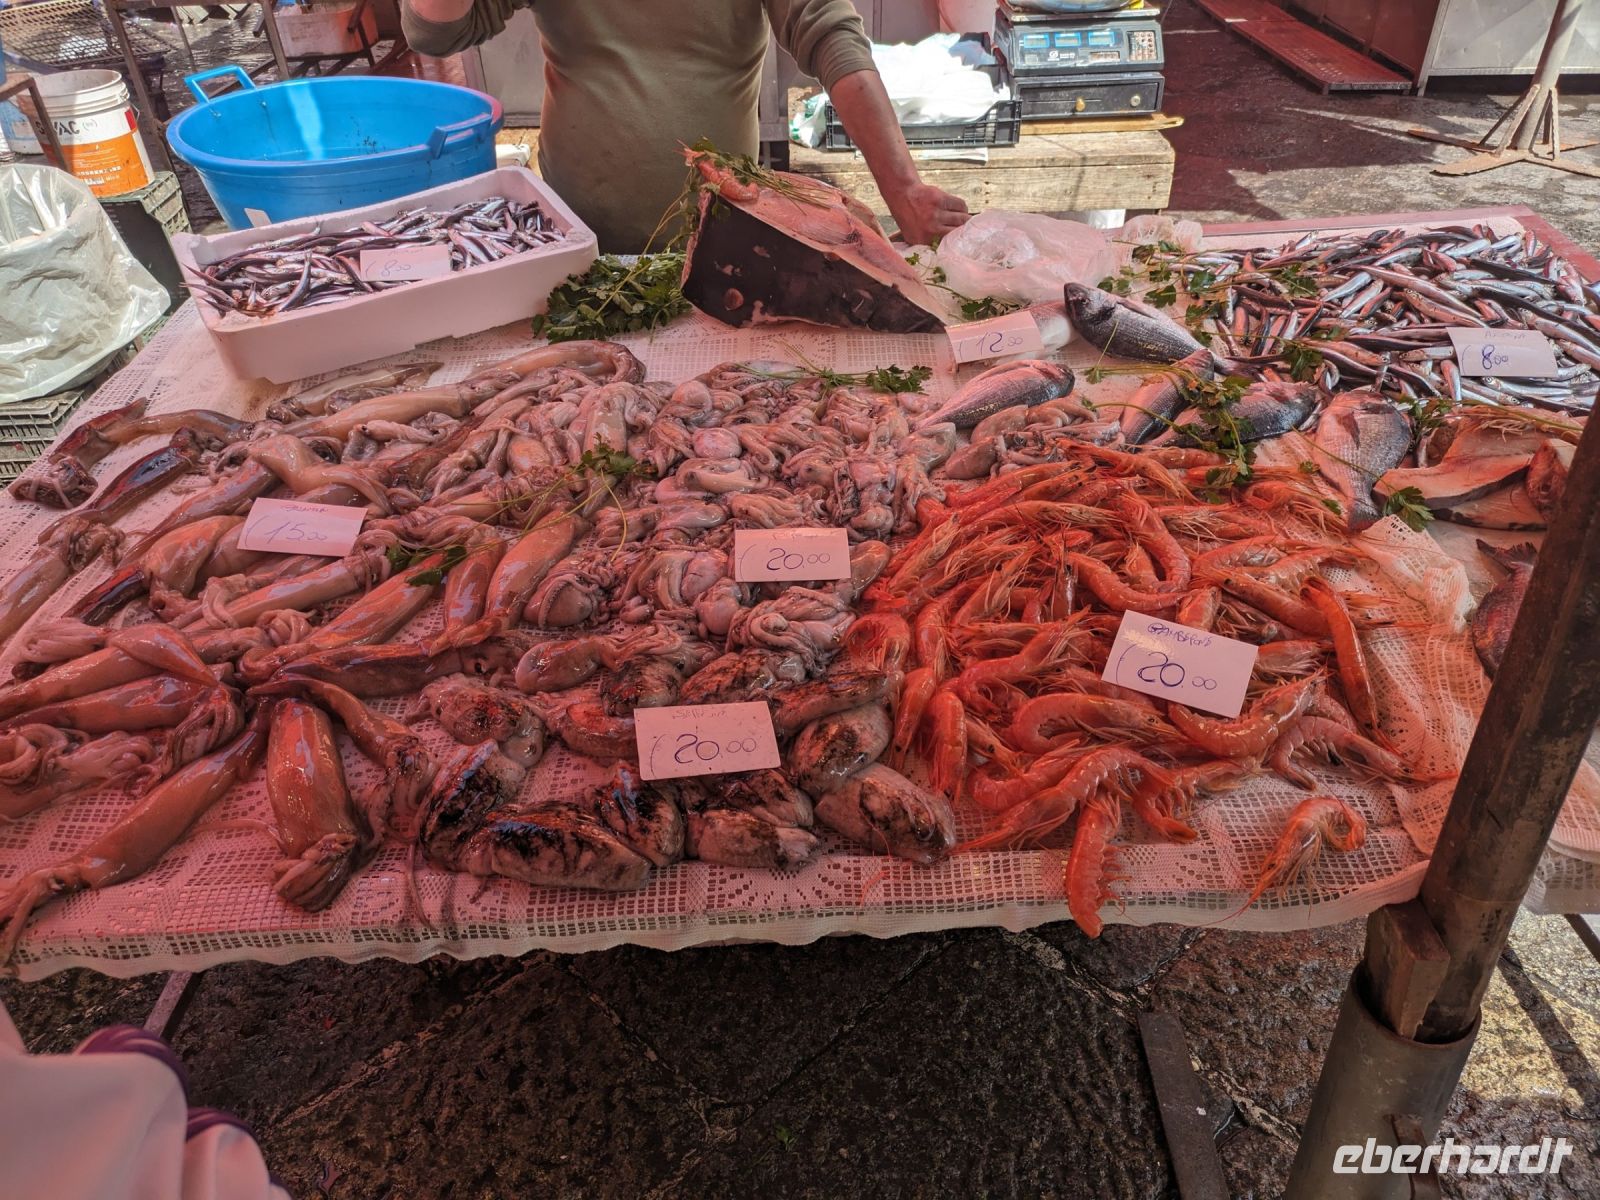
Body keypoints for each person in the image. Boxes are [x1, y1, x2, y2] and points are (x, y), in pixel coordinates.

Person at [399, 0, 972, 252]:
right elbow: (438, 32)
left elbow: (833, 39)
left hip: (723, 234)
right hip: (575, 238)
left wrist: (903, 190)